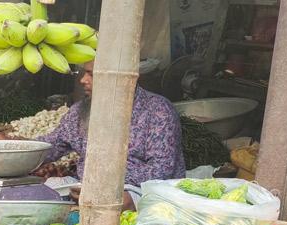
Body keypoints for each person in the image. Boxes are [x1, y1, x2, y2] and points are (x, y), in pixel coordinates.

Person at [37, 60, 185, 210]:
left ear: (120, 79)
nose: (83, 80)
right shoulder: (79, 112)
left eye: (91, 75)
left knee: (123, 201)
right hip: (89, 188)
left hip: (144, 190)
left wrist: (103, 184)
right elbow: (53, 145)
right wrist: (22, 150)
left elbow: (161, 170)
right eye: (84, 73)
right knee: (42, 192)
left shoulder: (158, 111)